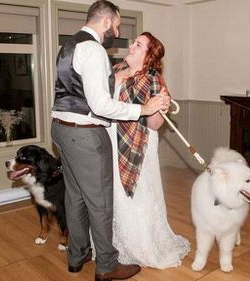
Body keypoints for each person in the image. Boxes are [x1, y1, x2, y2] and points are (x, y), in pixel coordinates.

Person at [50, 1, 170, 281]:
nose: (117, 32)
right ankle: (107, 265)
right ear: (106, 22)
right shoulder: (93, 50)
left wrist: (156, 107)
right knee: (100, 202)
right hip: (86, 134)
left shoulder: (69, 46)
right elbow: (101, 105)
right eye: (116, 25)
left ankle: (77, 256)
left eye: (138, 44)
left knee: (76, 195)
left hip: (62, 129)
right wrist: (143, 108)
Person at [108, 32, 190, 269]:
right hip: (109, 140)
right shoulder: (114, 70)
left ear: (148, 56)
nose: (132, 46)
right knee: (112, 194)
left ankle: (141, 245)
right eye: (134, 42)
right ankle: (112, 244)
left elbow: (155, 125)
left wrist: (158, 106)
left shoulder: (152, 78)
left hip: (138, 145)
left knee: (139, 195)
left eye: (139, 45)